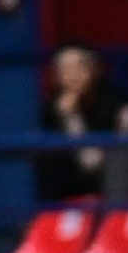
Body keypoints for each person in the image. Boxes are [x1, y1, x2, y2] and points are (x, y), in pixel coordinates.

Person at [34, 43, 117, 203]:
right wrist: (69, 116)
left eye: (79, 66)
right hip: (66, 192)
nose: (73, 75)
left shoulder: (111, 102)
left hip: (107, 188)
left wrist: (72, 117)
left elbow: (92, 163)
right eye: (65, 69)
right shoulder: (51, 109)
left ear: (93, 69)